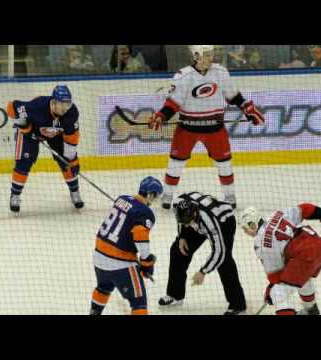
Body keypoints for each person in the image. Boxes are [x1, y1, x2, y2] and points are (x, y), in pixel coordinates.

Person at [149, 45, 265, 210]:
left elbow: (234, 96)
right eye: (207, 55)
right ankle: (167, 195)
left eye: (212, 54)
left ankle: (230, 196)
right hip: (187, 128)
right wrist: (161, 116)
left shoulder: (220, 72)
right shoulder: (183, 76)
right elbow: (173, 103)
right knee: (175, 163)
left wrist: (247, 108)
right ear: (197, 56)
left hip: (215, 129)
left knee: (224, 163)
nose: (211, 57)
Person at [238, 203, 321, 315]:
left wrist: (270, 291)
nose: (245, 232)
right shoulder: (276, 215)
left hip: (305, 255)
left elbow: (276, 277)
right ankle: (311, 310)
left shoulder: (261, 243)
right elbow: (305, 209)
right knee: (301, 276)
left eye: (245, 229)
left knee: (278, 292)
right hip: (320, 246)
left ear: (251, 225)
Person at [158, 192, 247, 315]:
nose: (186, 225)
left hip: (224, 222)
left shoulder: (210, 221)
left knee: (224, 261)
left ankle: (238, 305)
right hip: (198, 219)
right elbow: (181, 222)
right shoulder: (178, 205)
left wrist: (203, 271)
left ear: (194, 214)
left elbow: (219, 252)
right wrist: (182, 236)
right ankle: (175, 295)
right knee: (177, 250)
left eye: (187, 223)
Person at [90, 177, 163, 315]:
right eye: (155, 196)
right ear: (150, 194)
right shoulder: (145, 213)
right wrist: (146, 261)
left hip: (99, 256)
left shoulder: (121, 199)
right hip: (120, 263)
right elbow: (140, 235)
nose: (155, 200)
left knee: (103, 288)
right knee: (139, 303)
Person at [6, 85, 84, 212]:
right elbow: (11, 107)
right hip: (31, 135)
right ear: (54, 102)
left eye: (68, 104)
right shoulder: (37, 106)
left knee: (66, 162)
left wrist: (72, 160)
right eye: (62, 104)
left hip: (56, 135)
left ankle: (75, 192)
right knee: (24, 162)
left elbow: (71, 138)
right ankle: (15, 194)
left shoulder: (72, 113)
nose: (65, 108)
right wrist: (25, 126)